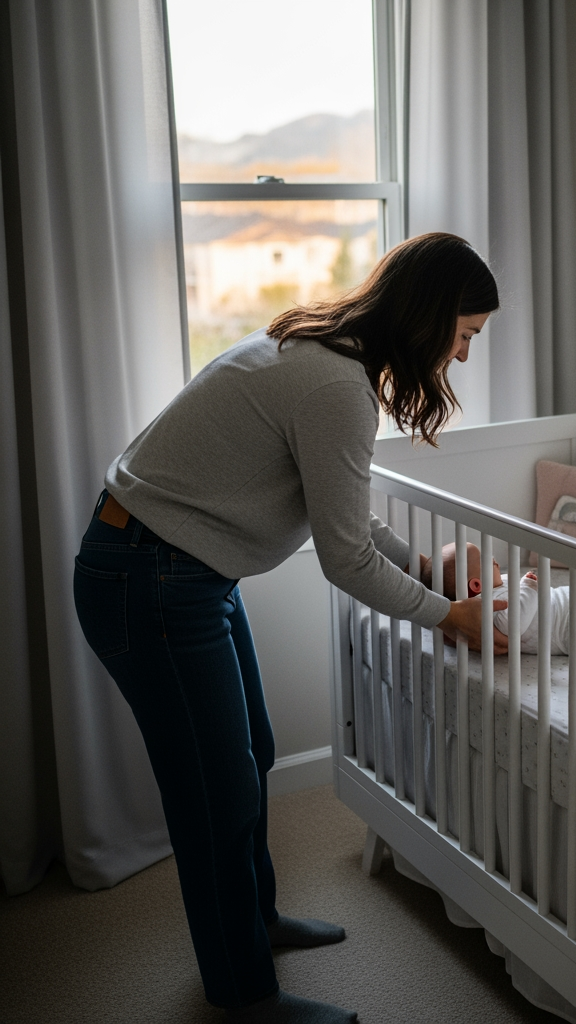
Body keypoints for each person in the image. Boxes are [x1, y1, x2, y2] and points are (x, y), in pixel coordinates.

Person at [73, 233, 507, 1024]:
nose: (465, 357)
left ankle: (258, 922)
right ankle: (243, 994)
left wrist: (429, 573)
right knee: (216, 792)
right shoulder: (333, 386)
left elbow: (349, 523)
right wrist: (452, 616)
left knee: (253, 756)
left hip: (181, 570)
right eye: (465, 334)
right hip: (152, 578)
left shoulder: (319, 351)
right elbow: (345, 560)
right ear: (427, 316)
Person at [424, 542, 576, 670]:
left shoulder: (502, 582)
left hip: (573, 598)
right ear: (477, 585)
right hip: (572, 623)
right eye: (486, 560)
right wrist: (528, 588)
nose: (494, 559)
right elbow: (514, 624)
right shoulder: (488, 609)